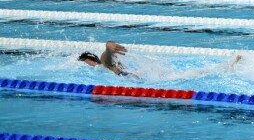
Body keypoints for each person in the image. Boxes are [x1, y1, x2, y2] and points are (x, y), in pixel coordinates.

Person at [79, 41, 242, 77]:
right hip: (146, 75)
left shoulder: (103, 66)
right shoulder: (107, 66)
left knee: (194, 74)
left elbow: (106, 57)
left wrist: (108, 47)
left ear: (89, 61)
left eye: (84, 61)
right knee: (195, 72)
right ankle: (228, 66)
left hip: (145, 78)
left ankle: (228, 66)